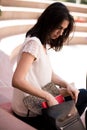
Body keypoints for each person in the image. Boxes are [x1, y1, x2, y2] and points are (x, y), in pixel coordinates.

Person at [12, 2, 87, 130]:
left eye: (63, 30)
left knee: (81, 94)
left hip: (39, 102)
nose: (60, 33)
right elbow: (17, 80)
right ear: (49, 21)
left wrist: (66, 85)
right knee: (83, 97)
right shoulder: (34, 44)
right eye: (58, 28)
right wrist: (48, 96)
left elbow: (49, 73)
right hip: (30, 111)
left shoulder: (41, 43)